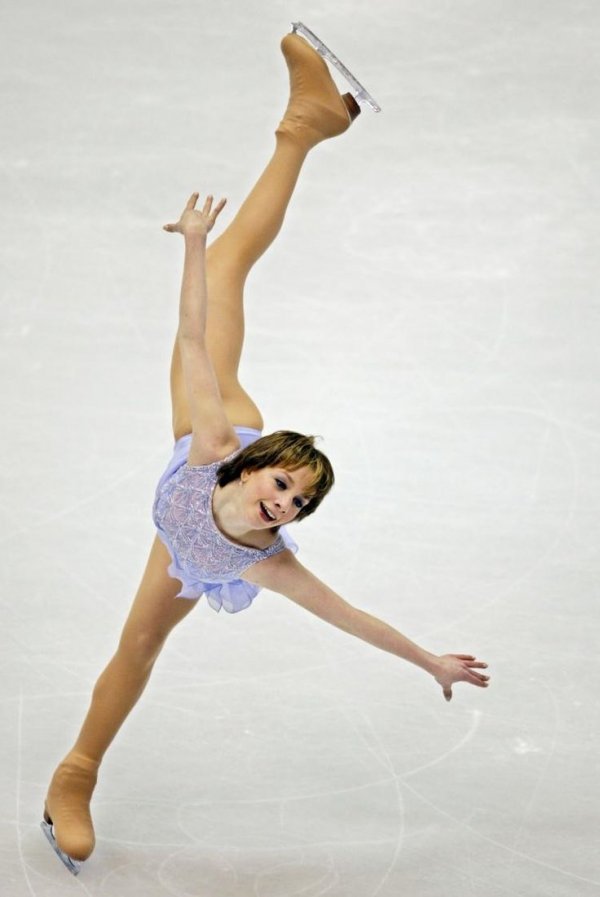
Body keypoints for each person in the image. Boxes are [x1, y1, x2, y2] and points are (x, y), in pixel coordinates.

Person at [41, 27, 490, 875]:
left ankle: (74, 772)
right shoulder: (215, 439)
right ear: (251, 468)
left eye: (295, 506)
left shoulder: (262, 561)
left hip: (189, 550)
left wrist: (429, 658)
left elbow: (349, 616)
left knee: (139, 644)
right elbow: (189, 339)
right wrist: (195, 245)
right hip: (197, 465)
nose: (283, 506)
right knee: (227, 274)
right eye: (283, 485)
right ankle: (304, 128)